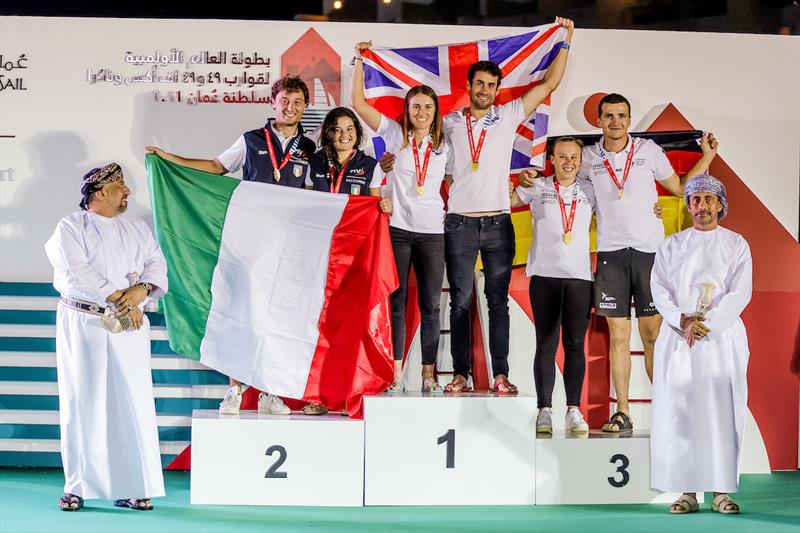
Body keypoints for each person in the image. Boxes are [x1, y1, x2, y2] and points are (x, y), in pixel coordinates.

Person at [146, 75, 316, 416]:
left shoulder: (310, 150)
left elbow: (321, 196)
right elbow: (214, 167)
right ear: (273, 103)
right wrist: (167, 158)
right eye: (284, 101)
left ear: (305, 107)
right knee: (240, 313)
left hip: (286, 245)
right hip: (247, 240)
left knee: (277, 317)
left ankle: (270, 392)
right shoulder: (252, 140)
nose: (290, 107)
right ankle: (234, 390)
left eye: (297, 102)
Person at [440, 17, 574, 394]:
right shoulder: (448, 122)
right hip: (459, 225)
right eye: (479, 83)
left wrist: (565, 40)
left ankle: (501, 375)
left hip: (499, 224)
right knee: (460, 303)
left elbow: (549, 83)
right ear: (469, 87)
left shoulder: (510, 114)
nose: (485, 89)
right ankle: (461, 374)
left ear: (498, 90)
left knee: (498, 301)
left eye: (492, 85)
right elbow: (420, 148)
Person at [575, 93, 717, 432]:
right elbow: (580, 199)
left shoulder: (649, 151)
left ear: (629, 119)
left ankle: (667, 412)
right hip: (610, 253)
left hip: (650, 254)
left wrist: (707, 155)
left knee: (652, 336)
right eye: (608, 116)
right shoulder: (588, 158)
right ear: (599, 120)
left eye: (621, 116)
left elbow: (681, 189)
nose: (615, 122)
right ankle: (622, 412)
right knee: (619, 337)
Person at [45, 163, 168, 512]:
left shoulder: (136, 227)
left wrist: (140, 291)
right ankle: (78, 486)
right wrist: (122, 298)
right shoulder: (71, 226)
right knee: (84, 399)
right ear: (99, 192)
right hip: (85, 322)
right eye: (120, 186)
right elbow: (78, 270)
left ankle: (132, 485)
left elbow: (156, 264)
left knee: (132, 400)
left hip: (129, 323)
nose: (127, 191)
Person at [649, 174, 751, 515]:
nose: (702, 206)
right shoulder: (671, 245)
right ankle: (687, 492)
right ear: (688, 205)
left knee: (722, 413)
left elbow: (740, 291)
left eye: (709, 199)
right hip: (680, 340)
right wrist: (683, 321)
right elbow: (659, 288)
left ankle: (721, 492)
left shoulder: (736, 243)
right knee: (681, 413)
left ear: (720, 204)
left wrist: (710, 324)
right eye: (695, 200)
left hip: (720, 339)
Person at [351, 42, 448, 393]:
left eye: (427, 107)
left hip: (433, 233)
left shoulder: (445, 145)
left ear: (435, 112)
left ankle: (427, 374)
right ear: (407, 110)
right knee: (397, 303)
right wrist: (360, 61)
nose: (421, 112)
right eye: (416, 106)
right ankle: (395, 374)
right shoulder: (393, 133)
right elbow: (359, 104)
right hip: (397, 230)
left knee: (431, 305)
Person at [511, 138, 593, 432]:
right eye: (562, 156)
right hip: (545, 277)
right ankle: (544, 409)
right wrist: (517, 180)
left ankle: (573, 409)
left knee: (574, 345)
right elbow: (509, 201)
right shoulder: (538, 186)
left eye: (574, 157)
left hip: (580, 279)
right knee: (545, 344)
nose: (569, 162)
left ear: (581, 160)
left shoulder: (590, 190)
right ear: (552, 159)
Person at [308, 107, 383, 198]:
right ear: (328, 133)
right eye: (337, 130)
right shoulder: (314, 161)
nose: (344, 135)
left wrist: (386, 206)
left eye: (349, 129)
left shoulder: (370, 165)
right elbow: (306, 199)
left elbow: (374, 204)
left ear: (357, 131)